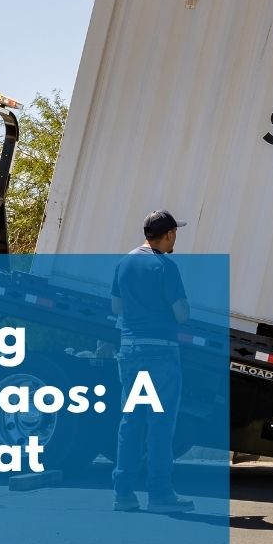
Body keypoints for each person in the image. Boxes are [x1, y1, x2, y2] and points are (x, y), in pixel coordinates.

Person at [110, 209, 195, 513]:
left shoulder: (123, 264)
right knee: (160, 424)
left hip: (131, 351)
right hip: (161, 354)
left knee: (131, 421)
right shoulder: (165, 267)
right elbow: (182, 314)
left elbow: (117, 307)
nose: (176, 239)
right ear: (168, 234)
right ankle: (159, 495)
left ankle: (123, 494)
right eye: (176, 233)